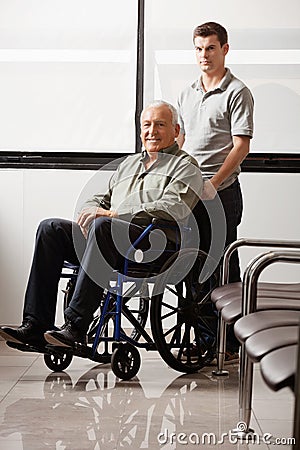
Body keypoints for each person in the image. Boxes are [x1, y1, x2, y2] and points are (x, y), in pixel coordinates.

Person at [0, 100, 203, 349]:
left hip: (152, 246)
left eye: (160, 125)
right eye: (147, 125)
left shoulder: (186, 166)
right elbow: (100, 198)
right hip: (107, 240)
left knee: (103, 226)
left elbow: (174, 208)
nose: (152, 131)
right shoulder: (128, 165)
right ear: (140, 130)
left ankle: (75, 327)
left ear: (176, 130)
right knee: (50, 228)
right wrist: (89, 211)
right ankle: (35, 325)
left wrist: (114, 214)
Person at [176, 22, 254, 359]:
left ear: (224, 49)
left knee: (221, 267)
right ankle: (208, 340)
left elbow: (241, 146)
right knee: (193, 266)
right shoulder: (187, 91)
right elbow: (182, 140)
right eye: (198, 48)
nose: (204, 55)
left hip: (220, 193)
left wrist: (213, 183)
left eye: (210, 47)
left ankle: (230, 344)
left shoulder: (237, 91)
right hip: (189, 192)